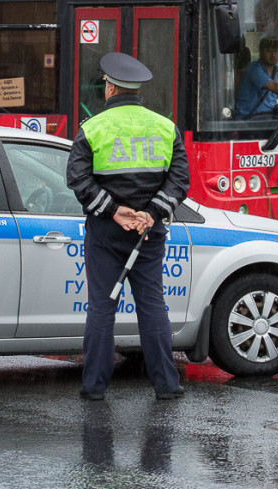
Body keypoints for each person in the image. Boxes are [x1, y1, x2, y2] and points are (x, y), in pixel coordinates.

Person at [66, 52, 189, 401]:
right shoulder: (166, 128)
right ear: (136, 90)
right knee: (152, 305)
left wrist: (114, 211)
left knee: (103, 307)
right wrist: (150, 214)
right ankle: (166, 384)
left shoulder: (92, 129)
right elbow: (179, 181)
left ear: (110, 87)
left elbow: (77, 179)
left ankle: (94, 387)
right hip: (148, 234)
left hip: (105, 232)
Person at [234, 37, 278, 119]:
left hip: (269, 118)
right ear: (260, 52)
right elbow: (274, 87)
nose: (273, 55)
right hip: (248, 121)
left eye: (275, 51)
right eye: (269, 51)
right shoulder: (253, 69)